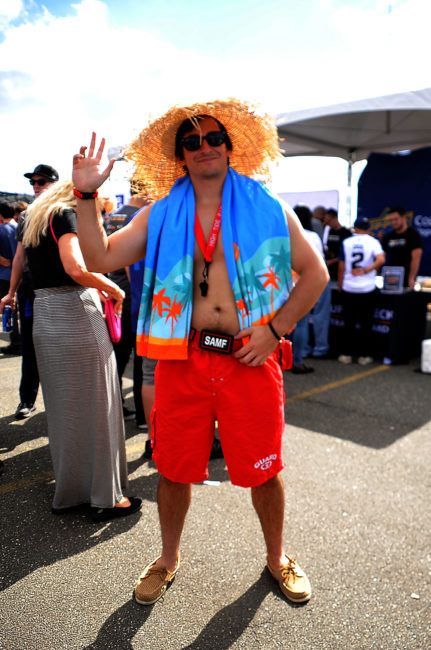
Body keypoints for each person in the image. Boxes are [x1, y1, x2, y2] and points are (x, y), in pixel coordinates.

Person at [73, 99, 328, 605]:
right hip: (182, 359)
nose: (204, 146)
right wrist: (85, 195)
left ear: (230, 148)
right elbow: (99, 256)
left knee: (266, 469)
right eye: (192, 142)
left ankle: (277, 557)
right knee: (172, 468)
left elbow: (315, 274)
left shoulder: (267, 207)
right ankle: (168, 558)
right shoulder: (161, 214)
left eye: (214, 138)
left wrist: (275, 329)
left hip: (249, 359)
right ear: (181, 156)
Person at [16, 178, 142, 522]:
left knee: (63, 410)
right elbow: (75, 268)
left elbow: (20, 264)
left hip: (44, 314)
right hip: (75, 312)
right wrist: (112, 287)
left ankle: (70, 492)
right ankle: (106, 497)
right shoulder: (66, 215)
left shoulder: (33, 218)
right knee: (100, 404)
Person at [1, 165, 59, 418]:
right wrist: (11, 292)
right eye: (33, 182)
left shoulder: (65, 210)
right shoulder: (26, 216)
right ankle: (27, 400)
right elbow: (18, 257)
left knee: (60, 348)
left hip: (61, 292)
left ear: (54, 183)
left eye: (42, 181)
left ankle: (61, 404)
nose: (36, 186)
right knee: (30, 347)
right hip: (31, 291)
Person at [337, 217, 385, 365]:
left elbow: (341, 267)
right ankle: (364, 355)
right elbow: (381, 260)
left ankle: (347, 354)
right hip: (367, 288)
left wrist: (340, 285)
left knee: (348, 323)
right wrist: (366, 270)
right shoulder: (373, 242)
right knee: (366, 323)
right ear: (368, 228)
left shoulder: (347, 242)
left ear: (355, 228)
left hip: (349, 287)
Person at [290, 205, 330, 372]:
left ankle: (282, 359)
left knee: (284, 323)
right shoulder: (313, 236)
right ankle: (297, 360)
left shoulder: (286, 233)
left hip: (283, 284)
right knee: (301, 324)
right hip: (303, 284)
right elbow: (319, 265)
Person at [381, 206, 423, 289]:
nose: (393, 222)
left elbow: (416, 258)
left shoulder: (413, 235)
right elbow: (382, 257)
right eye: (391, 220)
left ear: (403, 218)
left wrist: (411, 278)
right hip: (391, 278)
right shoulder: (388, 236)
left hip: (407, 280)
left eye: (396, 219)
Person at [0, 202, 20, 353]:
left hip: (5, 275)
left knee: (7, 309)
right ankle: (17, 340)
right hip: (19, 274)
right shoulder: (18, 227)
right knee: (15, 309)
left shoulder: (1, 230)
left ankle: (15, 342)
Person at [323, 208, 351, 281]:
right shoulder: (329, 231)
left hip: (341, 267)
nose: (328, 224)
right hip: (330, 268)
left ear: (335, 218)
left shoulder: (346, 233)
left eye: (329, 221)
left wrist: (333, 261)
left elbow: (347, 254)